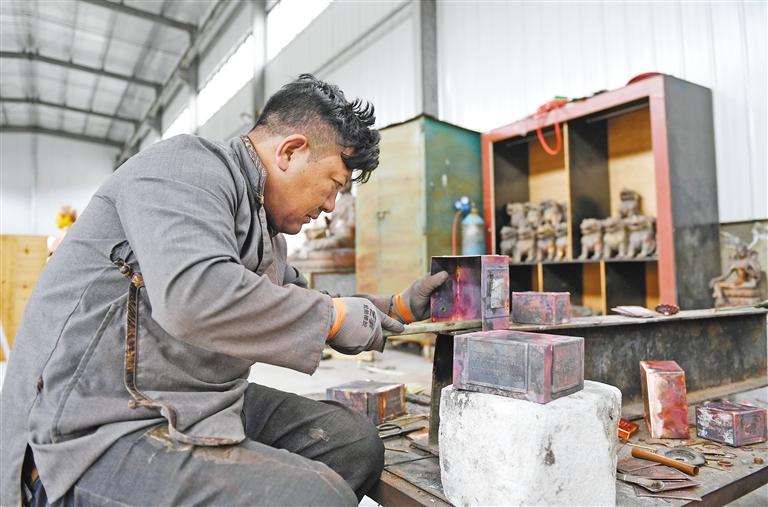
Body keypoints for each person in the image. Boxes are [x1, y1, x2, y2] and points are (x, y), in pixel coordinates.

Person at [0, 74, 449, 506]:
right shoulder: (181, 169)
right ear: (291, 151)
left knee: (351, 443)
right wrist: (332, 319)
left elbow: (306, 303)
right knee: (314, 496)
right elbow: (194, 297)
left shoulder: (266, 234)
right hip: (94, 423)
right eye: (333, 185)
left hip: (194, 402)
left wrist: (399, 307)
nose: (331, 206)